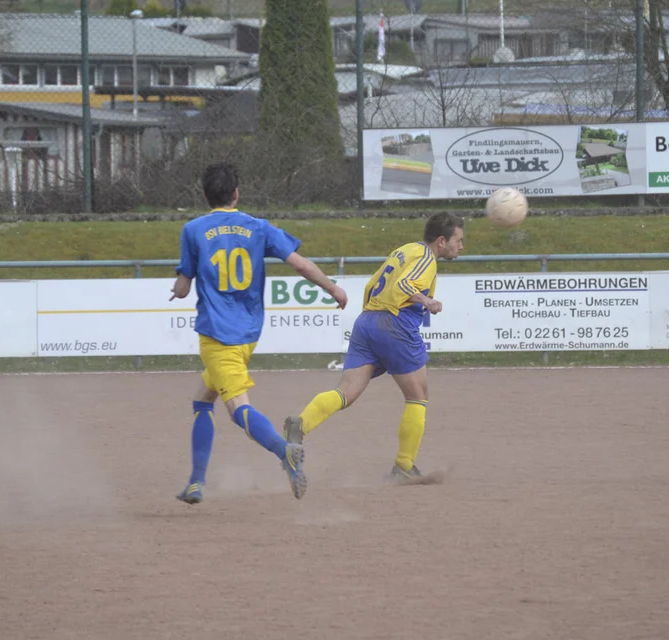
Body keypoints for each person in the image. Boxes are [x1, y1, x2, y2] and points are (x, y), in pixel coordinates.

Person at [169, 162, 348, 504]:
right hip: (249, 333)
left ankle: (285, 452)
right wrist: (333, 288)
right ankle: (195, 482)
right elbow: (299, 263)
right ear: (236, 194)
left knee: (238, 408)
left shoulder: (193, 230)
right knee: (203, 399)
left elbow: (182, 285)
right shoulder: (258, 227)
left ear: (206, 196)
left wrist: (176, 289)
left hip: (217, 336)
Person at [282, 212, 464, 481]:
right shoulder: (427, 259)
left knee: (345, 393)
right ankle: (403, 466)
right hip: (394, 324)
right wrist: (426, 302)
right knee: (418, 396)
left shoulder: (405, 250)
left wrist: (373, 318)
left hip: (367, 321)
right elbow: (403, 285)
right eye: (458, 240)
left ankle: (300, 424)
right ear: (441, 241)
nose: (461, 246)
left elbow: (374, 283)